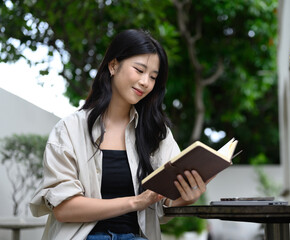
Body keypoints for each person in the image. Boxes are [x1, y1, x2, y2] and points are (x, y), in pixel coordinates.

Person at [30, 29, 208, 240]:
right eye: (139, 70)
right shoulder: (69, 129)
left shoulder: (157, 133)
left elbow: (162, 203)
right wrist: (135, 202)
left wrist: (185, 197)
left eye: (153, 77)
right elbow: (64, 209)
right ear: (113, 65)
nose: (145, 82)